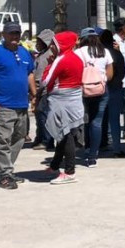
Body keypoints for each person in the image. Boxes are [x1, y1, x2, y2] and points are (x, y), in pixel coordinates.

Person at [0, 22, 37, 190]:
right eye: (11, 33)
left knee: (19, 138)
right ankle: (5, 174)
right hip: (2, 104)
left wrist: (34, 95)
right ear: (3, 34)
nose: (15, 37)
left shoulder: (24, 52)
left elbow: (30, 74)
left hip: (21, 104)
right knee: (2, 140)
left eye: (17, 33)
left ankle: (6, 170)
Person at [42, 31, 84, 185]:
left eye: (54, 43)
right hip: (75, 99)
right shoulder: (77, 58)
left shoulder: (61, 59)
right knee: (64, 133)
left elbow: (45, 81)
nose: (51, 46)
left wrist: (49, 65)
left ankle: (69, 172)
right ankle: (54, 166)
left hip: (61, 100)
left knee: (65, 135)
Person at [74, 28, 113, 167]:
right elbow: (110, 75)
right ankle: (93, 156)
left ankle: (86, 148)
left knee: (84, 121)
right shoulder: (105, 52)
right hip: (101, 90)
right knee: (97, 122)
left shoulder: (78, 53)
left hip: (82, 90)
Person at [100, 29, 125, 158]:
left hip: (100, 89)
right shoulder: (117, 54)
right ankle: (117, 147)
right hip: (115, 89)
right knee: (114, 120)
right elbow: (122, 72)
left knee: (98, 119)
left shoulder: (99, 55)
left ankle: (98, 145)